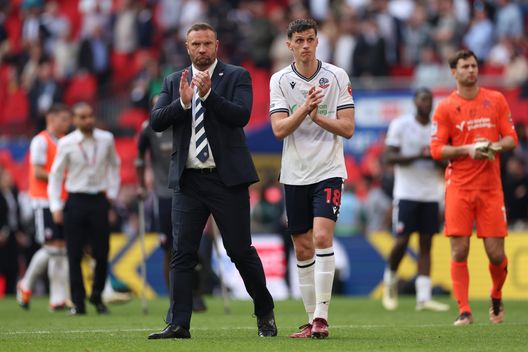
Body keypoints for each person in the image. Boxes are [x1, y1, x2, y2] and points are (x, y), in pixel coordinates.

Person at [147, 23, 276, 340]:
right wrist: (183, 103)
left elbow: (240, 115)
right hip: (189, 179)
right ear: (187, 47)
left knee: (239, 251)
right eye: (196, 44)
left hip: (226, 179)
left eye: (207, 43)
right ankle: (178, 324)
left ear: (217, 45)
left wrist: (208, 95)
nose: (202, 49)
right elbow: (156, 121)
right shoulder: (173, 80)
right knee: (182, 252)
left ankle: (264, 312)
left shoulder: (236, 76)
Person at [269, 18, 355, 339]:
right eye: (299, 41)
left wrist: (319, 117)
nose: (305, 46)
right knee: (302, 248)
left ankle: (321, 317)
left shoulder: (336, 76)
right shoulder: (279, 80)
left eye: (310, 39)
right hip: (294, 172)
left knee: (321, 238)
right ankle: (309, 321)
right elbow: (279, 130)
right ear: (289, 45)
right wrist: (305, 109)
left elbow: (347, 128)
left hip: (329, 169)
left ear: (318, 41)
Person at [430, 49, 518, 326]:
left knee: (496, 253)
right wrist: (468, 149)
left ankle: (496, 294)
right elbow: (435, 150)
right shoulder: (445, 107)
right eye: (465, 66)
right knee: (459, 250)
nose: (471, 70)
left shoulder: (496, 99)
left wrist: (493, 146)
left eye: (474, 66)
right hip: (459, 187)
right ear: (454, 72)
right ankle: (464, 310)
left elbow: (511, 139)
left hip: (491, 188)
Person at [48, 102, 121, 315]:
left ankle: (97, 296)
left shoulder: (106, 139)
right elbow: (55, 175)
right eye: (83, 117)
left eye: (90, 116)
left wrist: (112, 196)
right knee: (74, 253)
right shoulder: (67, 143)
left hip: (99, 200)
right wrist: (55, 206)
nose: (88, 120)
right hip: (76, 200)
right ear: (74, 120)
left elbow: (115, 166)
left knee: (102, 252)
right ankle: (78, 302)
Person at [135, 96, 206, 312]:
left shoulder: (187, 118)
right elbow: (139, 158)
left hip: (190, 188)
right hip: (163, 193)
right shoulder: (148, 128)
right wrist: (141, 185)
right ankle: (175, 297)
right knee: (170, 248)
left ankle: (196, 294)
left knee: (195, 245)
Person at [382, 88, 449, 312]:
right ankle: (390, 281)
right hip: (406, 192)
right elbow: (388, 156)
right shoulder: (401, 125)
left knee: (426, 244)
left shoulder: (437, 128)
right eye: (423, 99)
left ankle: (423, 297)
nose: (427, 103)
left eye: (430, 100)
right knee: (402, 241)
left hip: (430, 193)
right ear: (415, 102)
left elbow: (446, 161)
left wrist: (434, 155)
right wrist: (417, 155)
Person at [17, 104, 72, 311]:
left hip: (62, 199)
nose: (68, 123)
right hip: (43, 200)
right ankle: (25, 283)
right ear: (52, 119)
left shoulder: (65, 141)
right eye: (64, 119)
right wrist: (62, 177)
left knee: (60, 248)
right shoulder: (40, 141)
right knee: (51, 248)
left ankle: (57, 298)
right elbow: (38, 171)